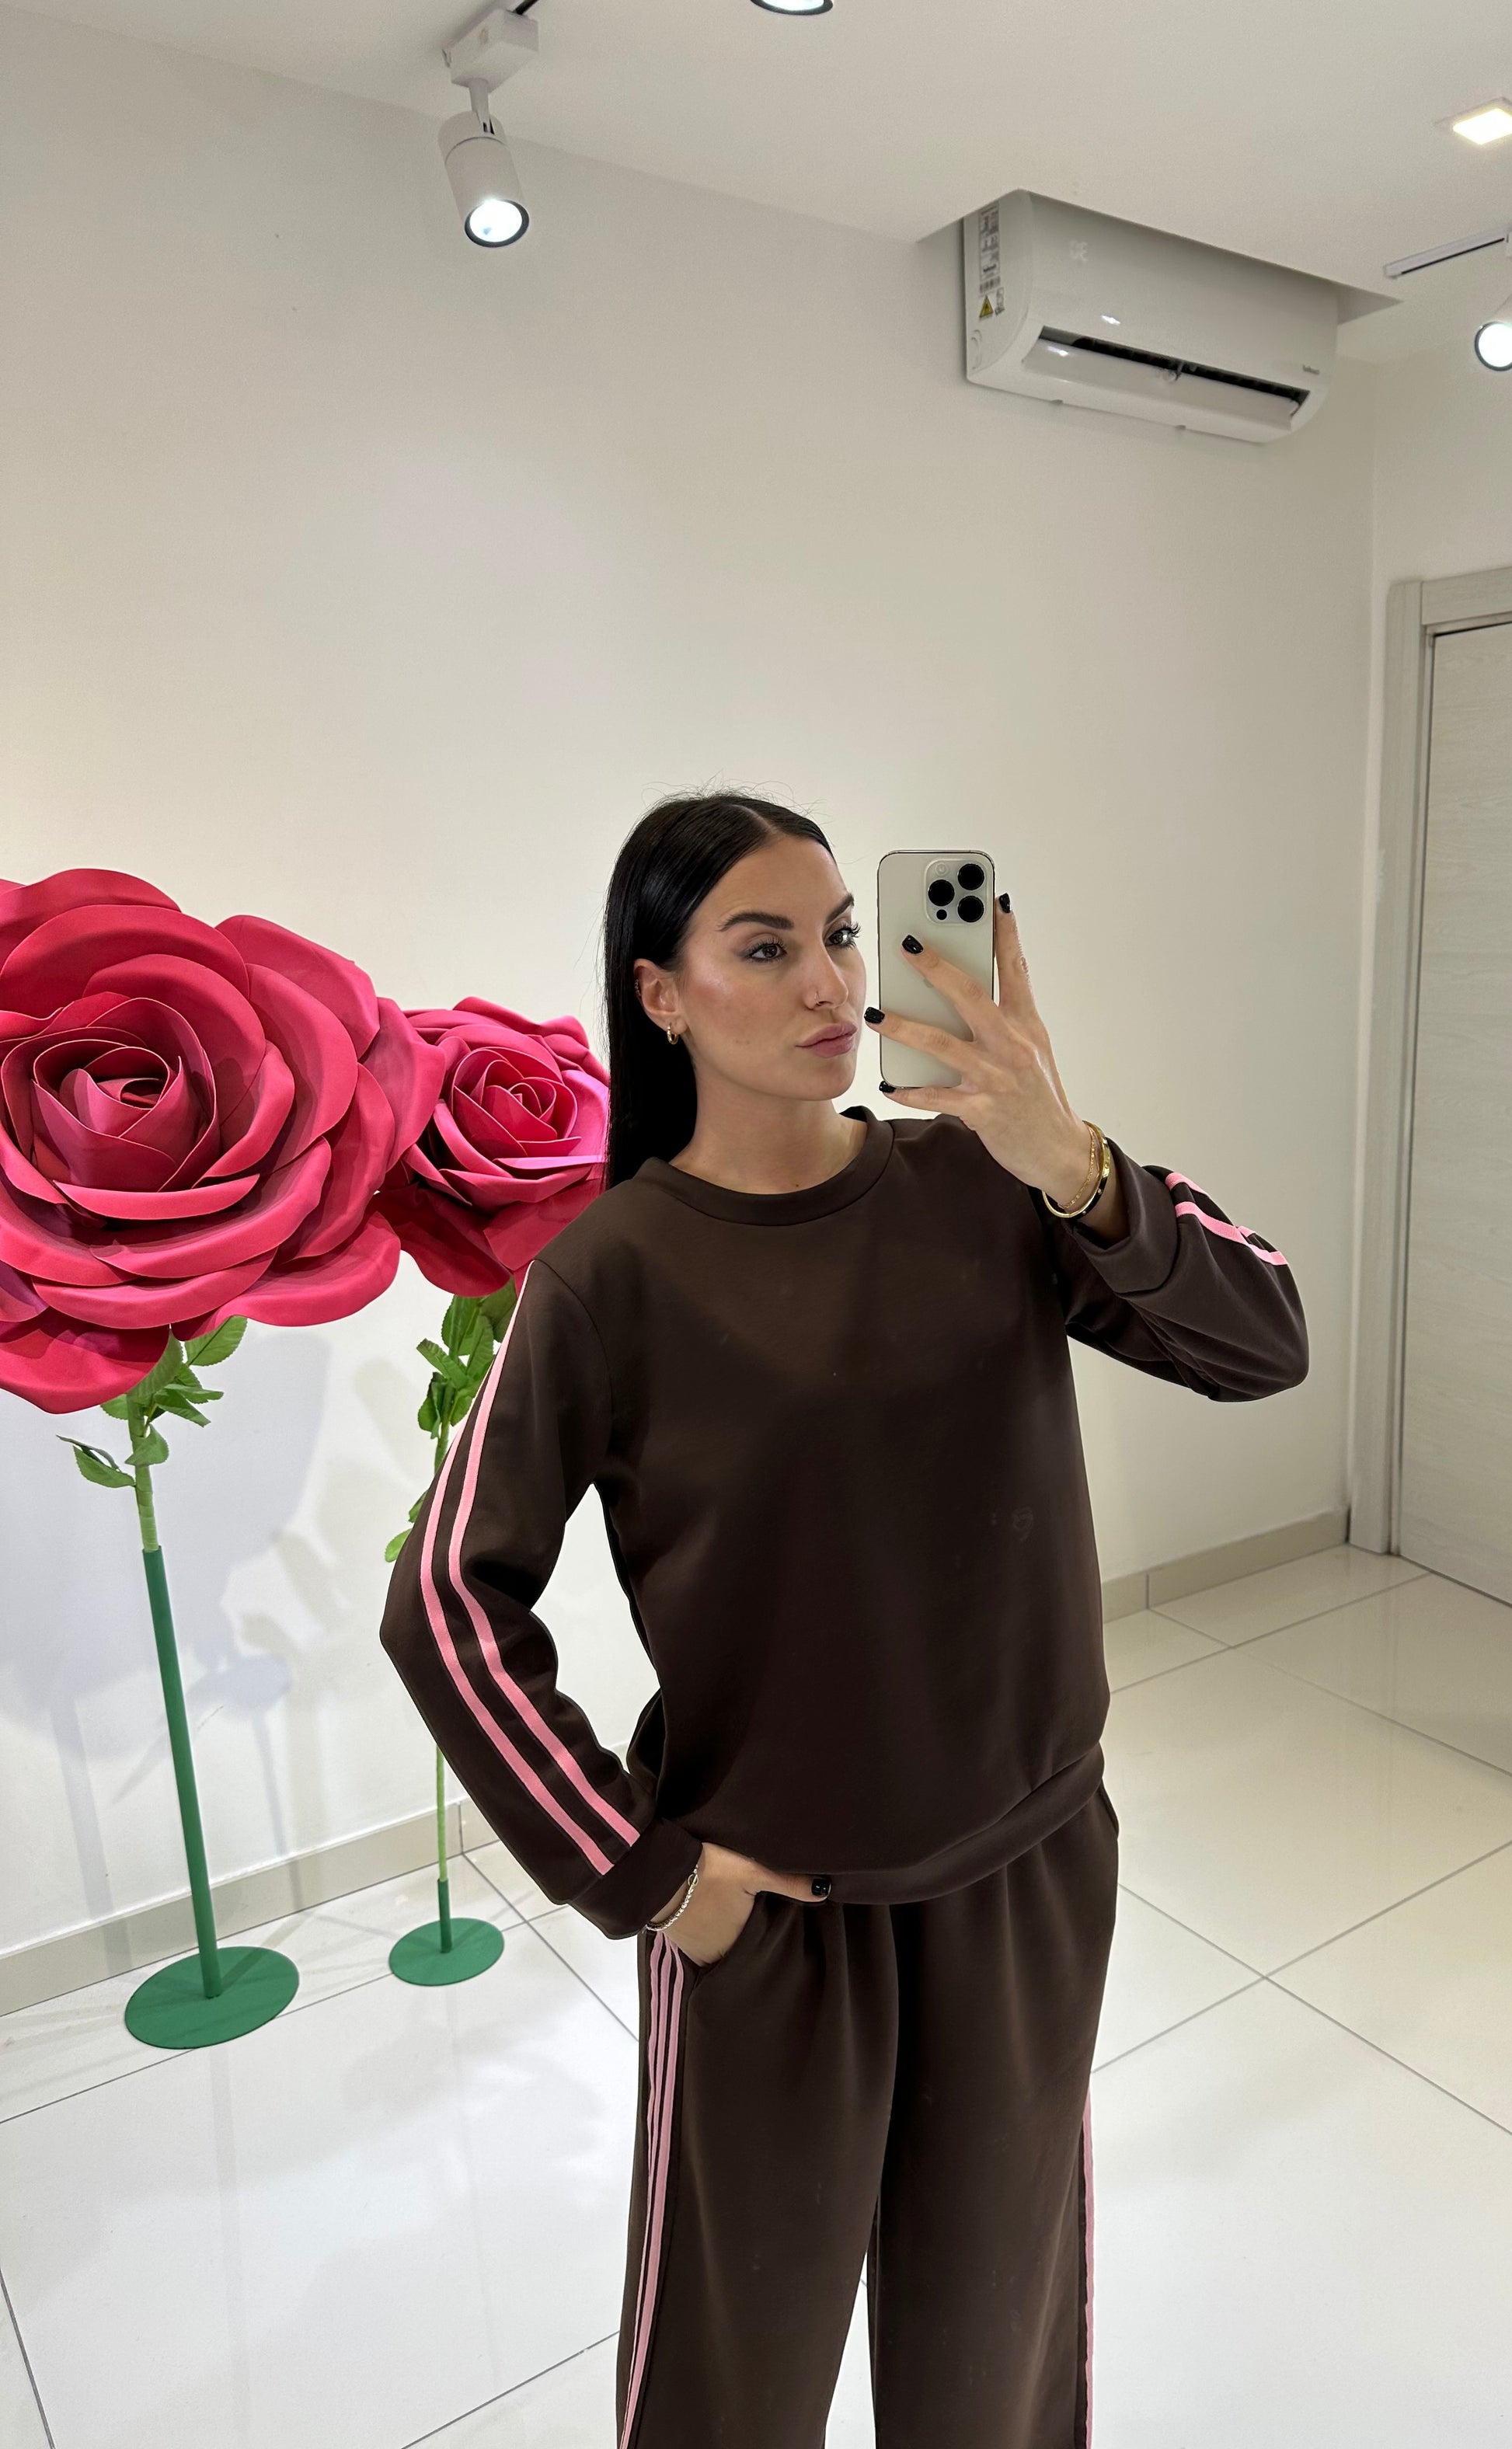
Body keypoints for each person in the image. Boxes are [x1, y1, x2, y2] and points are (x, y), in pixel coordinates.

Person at [379, 790, 1308, 2449]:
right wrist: (649, 1874)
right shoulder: (611, 1272)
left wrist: (1071, 1161)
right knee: (729, 2383)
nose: (827, 983)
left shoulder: (989, 1188)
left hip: (1024, 1874)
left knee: (992, 2360)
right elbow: (446, 1599)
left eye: (840, 935)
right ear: (660, 994)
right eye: (762, 948)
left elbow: (1265, 1344)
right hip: (777, 1923)